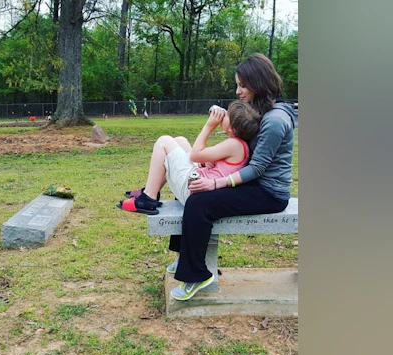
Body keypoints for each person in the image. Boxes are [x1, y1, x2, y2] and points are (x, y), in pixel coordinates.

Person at [167, 53, 297, 301]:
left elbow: (257, 168)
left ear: (258, 83)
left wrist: (215, 182)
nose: (238, 91)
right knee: (193, 184)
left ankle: (196, 275)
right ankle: (185, 255)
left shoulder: (275, 120)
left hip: (268, 192)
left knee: (199, 201)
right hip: (252, 183)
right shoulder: (263, 111)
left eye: (242, 85)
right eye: (237, 84)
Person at [117, 100, 261, 215]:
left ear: (232, 129)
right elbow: (206, 158)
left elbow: (195, 155)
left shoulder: (234, 144)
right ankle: (151, 189)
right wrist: (208, 163)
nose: (224, 115)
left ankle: (148, 197)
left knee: (164, 141)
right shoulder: (240, 144)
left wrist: (209, 127)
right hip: (199, 184)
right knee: (180, 141)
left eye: (227, 115)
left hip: (193, 190)